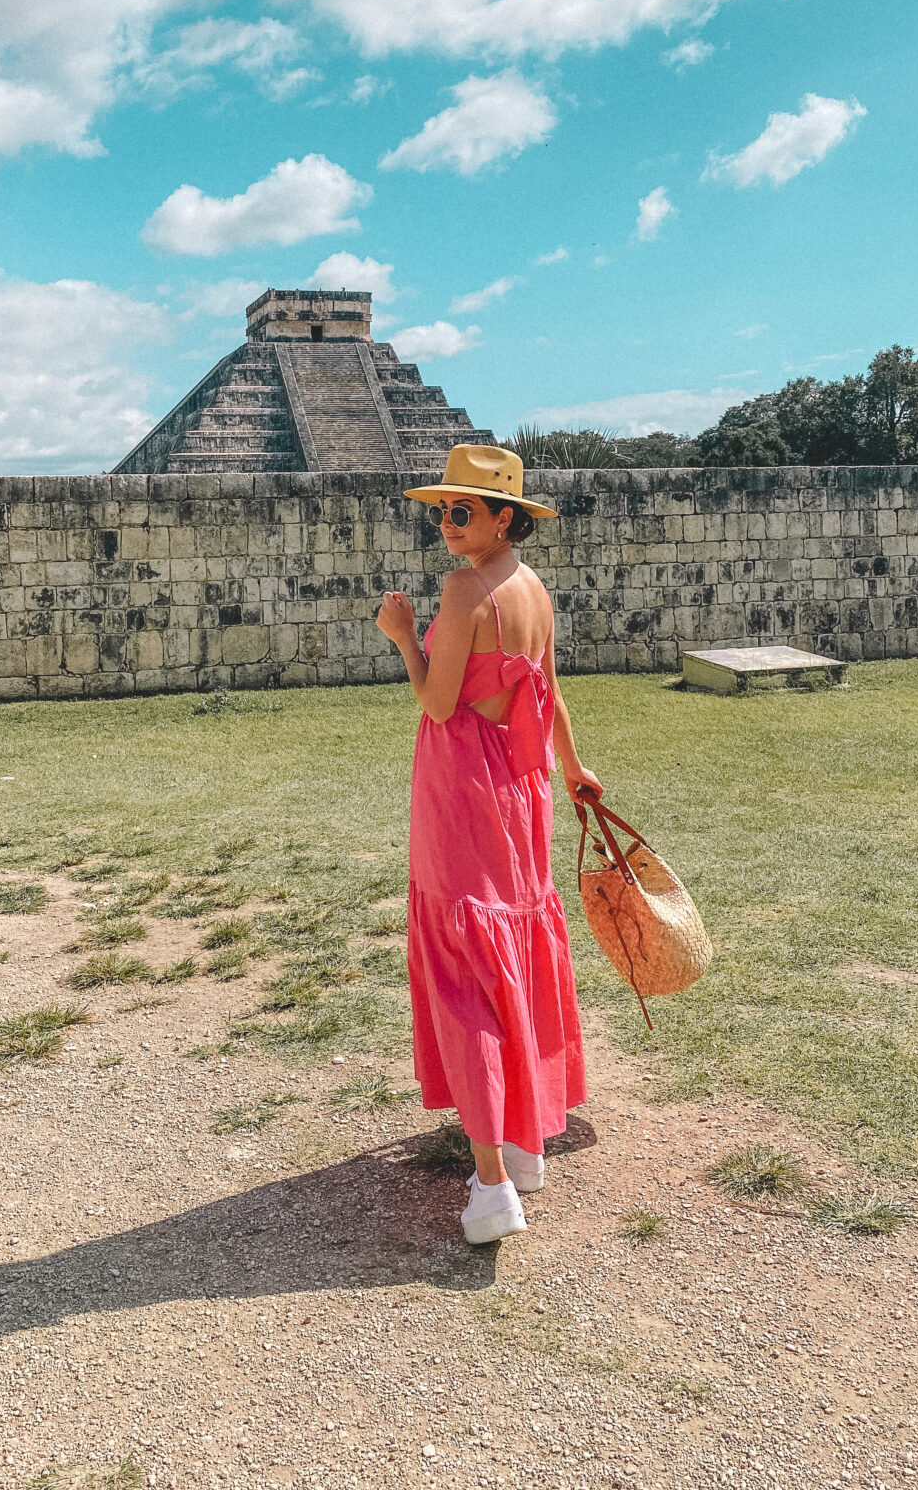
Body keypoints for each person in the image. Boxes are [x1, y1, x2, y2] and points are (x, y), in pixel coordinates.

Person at [375, 444, 598, 1245]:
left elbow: (438, 704)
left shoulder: (467, 587)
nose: (447, 524)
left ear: (507, 518)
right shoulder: (532, 589)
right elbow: (548, 686)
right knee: (516, 945)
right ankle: (524, 1135)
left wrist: (403, 636)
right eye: (442, 510)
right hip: (521, 785)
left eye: (462, 511)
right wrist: (574, 769)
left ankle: (495, 1186)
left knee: (466, 966)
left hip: (463, 785)